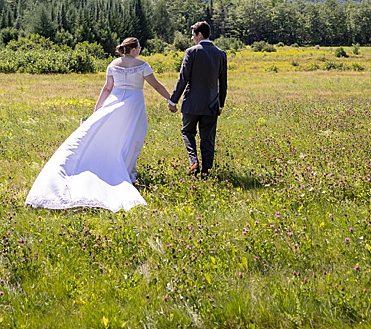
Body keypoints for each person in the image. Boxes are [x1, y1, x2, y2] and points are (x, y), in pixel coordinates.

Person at [25, 37, 175, 211]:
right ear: (133, 49)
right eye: (139, 47)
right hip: (134, 105)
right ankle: (127, 172)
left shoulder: (113, 64)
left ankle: (122, 169)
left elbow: (107, 88)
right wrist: (171, 99)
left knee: (114, 136)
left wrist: (98, 109)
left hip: (115, 102)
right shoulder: (142, 65)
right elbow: (156, 86)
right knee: (132, 137)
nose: (140, 50)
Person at [167, 21, 228, 175]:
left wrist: (173, 100)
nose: (192, 38)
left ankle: (194, 162)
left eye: (193, 35)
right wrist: (221, 104)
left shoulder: (191, 52)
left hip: (192, 103)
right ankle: (206, 171)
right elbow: (223, 83)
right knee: (208, 139)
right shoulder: (221, 54)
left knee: (187, 132)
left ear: (200, 34)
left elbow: (183, 78)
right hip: (211, 104)